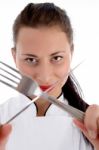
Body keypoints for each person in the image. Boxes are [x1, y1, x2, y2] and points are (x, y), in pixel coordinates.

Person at [0, 2, 99, 150]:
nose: (45, 77)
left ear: (71, 53)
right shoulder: (2, 116)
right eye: (31, 59)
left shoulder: (92, 127)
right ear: (14, 57)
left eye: (57, 58)